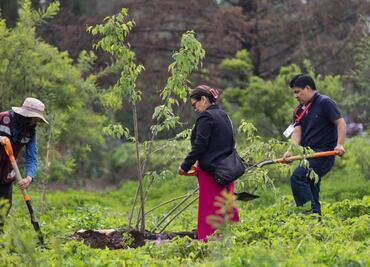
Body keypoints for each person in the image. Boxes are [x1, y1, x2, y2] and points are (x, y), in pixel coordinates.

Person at [177, 85, 239, 242]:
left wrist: (184, 166)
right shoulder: (225, 116)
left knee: (210, 209)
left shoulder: (206, 117)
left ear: (204, 99)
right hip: (227, 170)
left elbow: (200, 145)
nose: (195, 109)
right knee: (226, 207)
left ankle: (208, 242)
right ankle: (229, 241)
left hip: (211, 173)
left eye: (194, 104)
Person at [284, 74, 346, 216]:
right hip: (308, 155)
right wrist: (290, 151)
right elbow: (297, 132)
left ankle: (309, 216)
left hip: (324, 154)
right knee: (311, 186)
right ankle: (316, 221)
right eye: (294, 92)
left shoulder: (325, 102)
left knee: (298, 177)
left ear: (307, 88)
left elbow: (340, 123)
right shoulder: (298, 110)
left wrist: (340, 145)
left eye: (297, 92)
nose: (296, 96)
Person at [0, 97, 48, 230]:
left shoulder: (30, 132)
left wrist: (29, 177)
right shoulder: (3, 118)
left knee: (4, 207)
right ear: (26, 116)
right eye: (35, 119)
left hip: (5, 174)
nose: (36, 122)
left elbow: (32, 157)